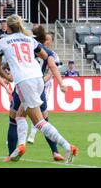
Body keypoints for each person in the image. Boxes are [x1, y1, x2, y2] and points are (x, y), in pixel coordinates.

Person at [0, 15, 78, 164]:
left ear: (9, 28)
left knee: (39, 122)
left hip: (24, 82)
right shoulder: (30, 40)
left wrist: (7, 76)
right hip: (38, 78)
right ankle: (20, 147)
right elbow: (46, 57)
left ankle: (67, 146)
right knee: (19, 116)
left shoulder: (3, 41)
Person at [24, 25, 66, 162]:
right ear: (43, 39)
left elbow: (52, 70)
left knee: (18, 116)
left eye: (50, 40)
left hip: (27, 84)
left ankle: (18, 146)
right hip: (37, 85)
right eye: (47, 39)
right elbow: (52, 68)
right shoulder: (46, 52)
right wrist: (60, 84)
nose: (48, 42)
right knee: (40, 118)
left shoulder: (27, 48)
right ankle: (57, 149)